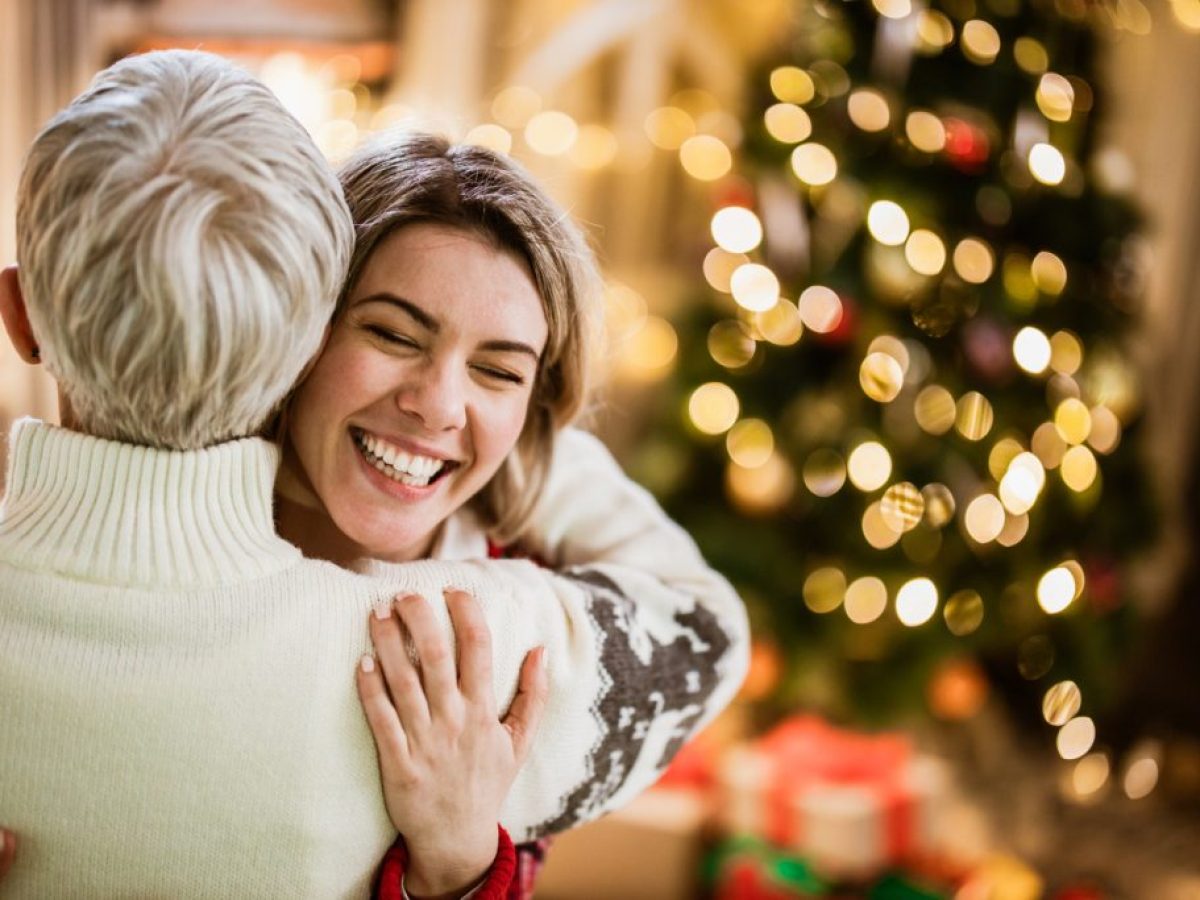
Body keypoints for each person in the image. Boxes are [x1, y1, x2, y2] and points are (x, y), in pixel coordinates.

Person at [0, 50, 748, 897]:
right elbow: (703, 634)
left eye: (500, 370)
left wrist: (461, 860)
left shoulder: (513, 602)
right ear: (300, 326)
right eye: (393, 333)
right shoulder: (407, 638)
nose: (437, 403)